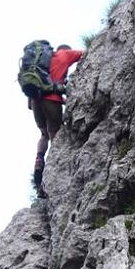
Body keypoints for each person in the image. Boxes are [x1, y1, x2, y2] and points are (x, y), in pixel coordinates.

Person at [31, 44, 83, 194]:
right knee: (55, 134)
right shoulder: (65, 54)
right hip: (52, 100)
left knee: (44, 134)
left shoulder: (42, 60)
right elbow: (86, 53)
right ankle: (52, 172)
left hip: (35, 101)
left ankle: (39, 160)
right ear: (66, 49)